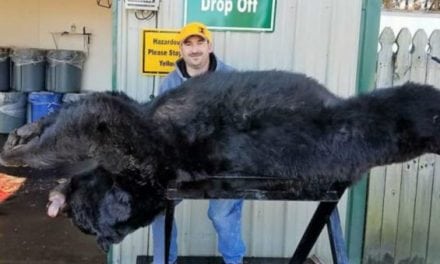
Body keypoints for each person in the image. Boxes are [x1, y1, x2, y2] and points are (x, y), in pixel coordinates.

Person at [151, 22, 246, 264]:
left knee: (222, 214)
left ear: (209, 46)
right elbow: (163, 130)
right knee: (158, 206)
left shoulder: (232, 79)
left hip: (224, 163)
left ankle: (234, 261)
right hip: (185, 163)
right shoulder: (170, 84)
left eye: (200, 42)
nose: (195, 50)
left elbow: (243, 126)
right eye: (188, 44)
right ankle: (164, 261)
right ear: (181, 50)